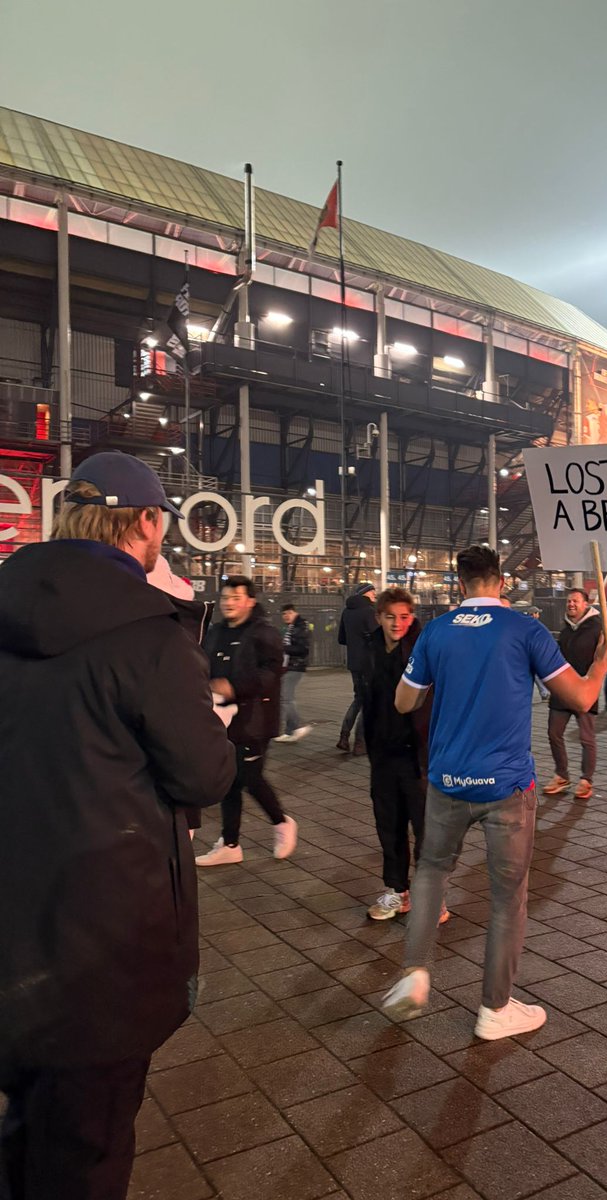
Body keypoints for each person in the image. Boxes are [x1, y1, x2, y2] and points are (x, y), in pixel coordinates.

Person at [0, 451, 235, 1200]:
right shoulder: (149, 635)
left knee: (24, 1128)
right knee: (89, 1150)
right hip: (100, 948)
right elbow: (203, 775)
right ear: (147, 522)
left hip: (11, 934)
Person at [381, 545, 607, 1040]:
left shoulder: (437, 631)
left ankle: (416, 970)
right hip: (506, 785)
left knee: (431, 871)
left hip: (447, 779)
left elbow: (404, 701)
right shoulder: (525, 630)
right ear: (502, 582)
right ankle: (495, 1009)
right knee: (507, 897)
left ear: (459, 583)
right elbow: (580, 698)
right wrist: (601, 665)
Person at [196, 577, 297, 866]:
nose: (229, 603)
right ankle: (230, 844)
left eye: (236, 597)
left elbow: (272, 673)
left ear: (250, 601)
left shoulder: (263, 633)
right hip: (221, 718)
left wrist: (234, 687)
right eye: (225, 597)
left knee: (250, 777)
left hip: (255, 720)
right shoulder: (215, 631)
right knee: (229, 781)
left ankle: (282, 822)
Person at [360, 587, 446, 924]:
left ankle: (432, 895)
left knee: (426, 827)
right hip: (383, 753)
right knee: (389, 824)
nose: (397, 623)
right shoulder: (370, 647)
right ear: (379, 617)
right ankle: (398, 890)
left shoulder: (424, 648)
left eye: (404, 616)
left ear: (412, 617)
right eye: (390, 617)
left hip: (418, 755)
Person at [543, 588, 602, 801]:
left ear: (586, 604)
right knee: (554, 733)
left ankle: (586, 780)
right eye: (569, 601)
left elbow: (604, 656)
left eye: (575, 601)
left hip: (585, 689)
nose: (571, 604)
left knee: (586, 737)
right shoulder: (566, 629)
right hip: (562, 689)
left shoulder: (597, 628)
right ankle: (561, 775)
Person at [337, 582, 378, 754]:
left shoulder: (346, 611)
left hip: (354, 663)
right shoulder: (369, 611)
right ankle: (360, 743)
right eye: (372, 592)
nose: (375, 594)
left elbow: (341, 639)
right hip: (369, 663)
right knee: (368, 702)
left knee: (358, 699)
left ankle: (344, 737)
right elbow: (377, 637)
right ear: (365, 593)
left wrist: (356, 642)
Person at [274, 601, 312, 743]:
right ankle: (289, 732)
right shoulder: (291, 627)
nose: (286, 616)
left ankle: (299, 726)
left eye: (289, 613)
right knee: (286, 697)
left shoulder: (301, 626)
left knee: (285, 698)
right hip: (288, 666)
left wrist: (283, 648)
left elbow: (303, 649)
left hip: (296, 666)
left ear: (294, 612)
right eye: (284, 614)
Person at [525, 605, 551, 701]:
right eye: (537, 613)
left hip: (530, 653)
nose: (538, 615)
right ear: (533, 614)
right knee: (536, 674)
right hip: (531, 653)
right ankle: (544, 693)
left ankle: (544, 692)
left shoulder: (526, 624)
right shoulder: (533, 625)